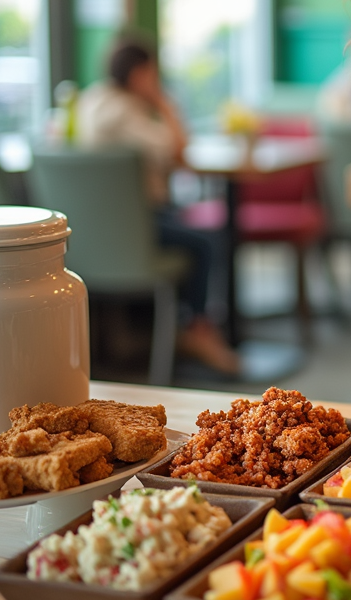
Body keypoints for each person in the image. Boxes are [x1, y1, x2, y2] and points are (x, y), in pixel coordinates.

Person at [77, 37, 240, 375]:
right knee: (207, 242)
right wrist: (163, 102)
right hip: (134, 228)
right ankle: (196, 330)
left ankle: (176, 331)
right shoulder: (125, 112)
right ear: (139, 74)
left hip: (91, 238)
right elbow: (178, 147)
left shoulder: (90, 101)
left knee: (183, 222)